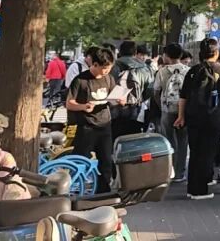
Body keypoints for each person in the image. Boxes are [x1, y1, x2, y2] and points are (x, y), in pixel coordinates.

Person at [176, 38, 220, 200]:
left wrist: (181, 116)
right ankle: (201, 189)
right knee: (208, 153)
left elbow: (183, 96)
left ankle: (192, 187)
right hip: (214, 118)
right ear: (216, 53)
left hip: (193, 117)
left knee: (195, 151)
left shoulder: (193, 71)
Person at [66, 47, 124, 193]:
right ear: (95, 64)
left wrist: (120, 100)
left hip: (105, 125)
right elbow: (69, 103)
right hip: (86, 127)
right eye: (104, 68)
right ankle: (72, 188)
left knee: (106, 161)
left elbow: (112, 97)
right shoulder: (81, 80)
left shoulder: (109, 79)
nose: (106, 71)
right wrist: (83, 106)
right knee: (80, 160)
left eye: (109, 68)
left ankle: (103, 192)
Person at [155, 44, 191, 182]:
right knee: (183, 141)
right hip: (184, 110)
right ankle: (180, 172)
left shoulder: (162, 72)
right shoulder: (188, 70)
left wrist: (161, 105)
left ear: (167, 56)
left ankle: (169, 170)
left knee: (168, 141)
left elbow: (156, 91)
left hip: (167, 109)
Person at [111, 41, 154, 138]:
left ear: (120, 51)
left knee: (115, 139)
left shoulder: (112, 66)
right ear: (135, 52)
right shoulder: (145, 68)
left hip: (115, 110)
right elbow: (150, 90)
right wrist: (140, 98)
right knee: (133, 139)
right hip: (136, 110)